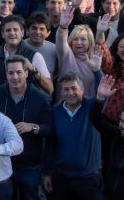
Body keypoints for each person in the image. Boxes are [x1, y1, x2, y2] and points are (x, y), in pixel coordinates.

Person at [0, 56, 52, 200]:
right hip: (1, 163)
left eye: (18, 72)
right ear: (6, 74)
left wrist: (32, 126)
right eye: (11, 73)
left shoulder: (40, 98)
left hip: (29, 165)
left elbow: (50, 129)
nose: (15, 76)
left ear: (26, 73)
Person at [43, 72, 104, 200]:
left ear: (82, 89)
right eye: (66, 89)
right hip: (61, 178)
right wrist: (47, 173)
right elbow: (50, 143)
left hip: (89, 179)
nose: (70, 93)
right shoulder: (55, 112)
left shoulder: (92, 107)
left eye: (74, 88)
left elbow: (103, 90)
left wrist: (97, 70)